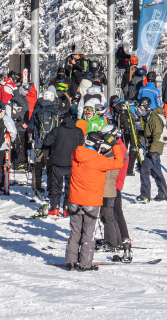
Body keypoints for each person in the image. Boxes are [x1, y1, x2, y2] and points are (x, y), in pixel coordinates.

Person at [65, 131, 126, 272]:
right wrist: (114, 144)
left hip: (75, 200)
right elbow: (118, 162)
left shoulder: (75, 154)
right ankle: (85, 264)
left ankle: (70, 262)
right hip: (91, 202)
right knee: (88, 233)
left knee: (74, 232)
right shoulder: (99, 160)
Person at [44, 99, 84, 215]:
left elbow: (47, 142)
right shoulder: (79, 131)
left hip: (58, 162)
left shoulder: (57, 130)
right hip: (73, 163)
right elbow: (81, 145)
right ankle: (67, 208)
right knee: (70, 187)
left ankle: (55, 208)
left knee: (56, 186)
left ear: (62, 120)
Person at [98, 126, 132, 259]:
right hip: (114, 184)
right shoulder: (117, 146)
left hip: (114, 185)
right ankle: (119, 239)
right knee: (114, 214)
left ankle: (119, 239)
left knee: (111, 214)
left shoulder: (119, 149)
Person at [30, 88, 63, 198]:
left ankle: (36, 188)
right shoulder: (57, 111)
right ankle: (50, 188)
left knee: (37, 165)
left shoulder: (36, 111)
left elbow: (31, 126)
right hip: (52, 143)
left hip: (39, 142)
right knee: (51, 166)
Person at [138, 102, 167, 202]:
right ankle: (163, 194)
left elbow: (157, 135)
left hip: (155, 148)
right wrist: (136, 132)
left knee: (144, 169)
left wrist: (152, 151)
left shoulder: (154, 118)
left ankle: (145, 195)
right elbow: (148, 133)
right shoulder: (148, 118)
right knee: (156, 172)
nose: (140, 110)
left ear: (146, 107)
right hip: (152, 147)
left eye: (141, 107)